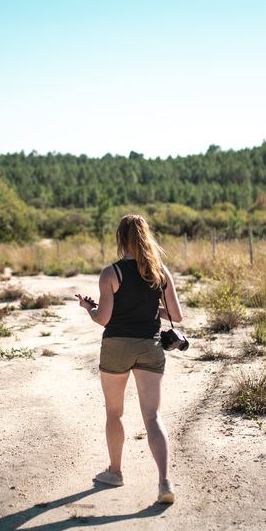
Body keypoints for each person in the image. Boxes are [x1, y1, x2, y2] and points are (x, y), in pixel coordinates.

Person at [77, 214, 183, 504]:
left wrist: (88, 309)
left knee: (115, 413)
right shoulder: (159, 272)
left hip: (117, 347)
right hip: (150, 346)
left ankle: (115, 472)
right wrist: (149, 312)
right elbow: (176, 316)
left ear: (120, 239)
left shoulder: (111, 273)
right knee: (152, 417)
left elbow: (104, 319)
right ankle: (164, 482)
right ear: (145, 237)